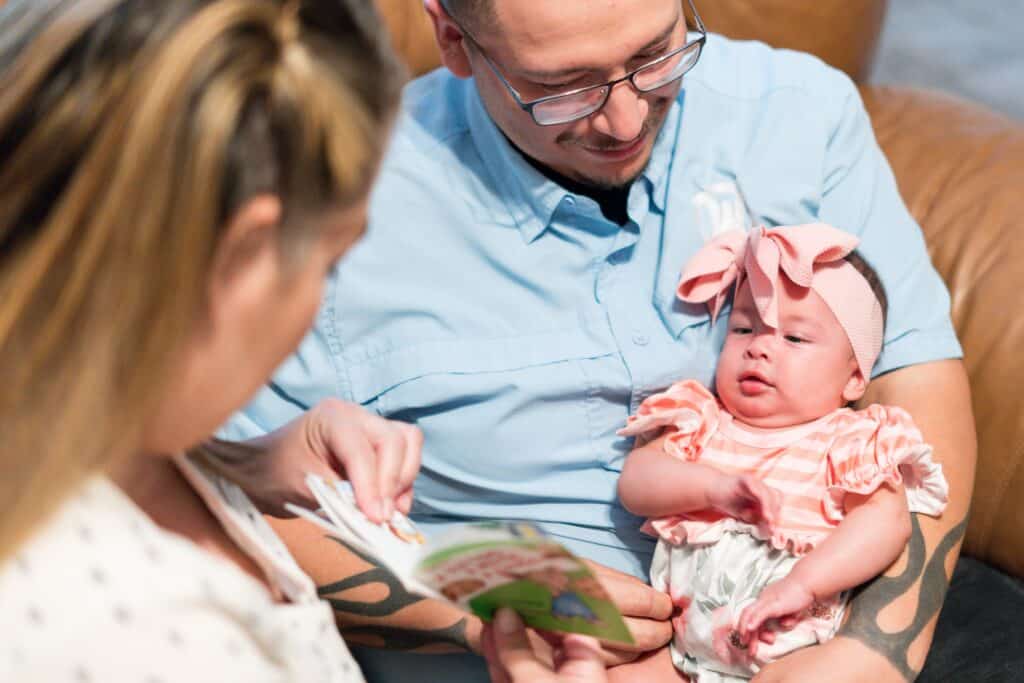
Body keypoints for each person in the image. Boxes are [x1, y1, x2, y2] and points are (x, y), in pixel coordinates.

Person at [224, 0, 977, 680]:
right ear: (453, 38)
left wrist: (872, 651)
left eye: (656, 54)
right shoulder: (333, 199)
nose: (624, 122)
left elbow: (918, 381)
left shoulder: (800, 113)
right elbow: (208, 499)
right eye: (564, 86)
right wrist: (488, 599)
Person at [0, 1, 603, 681]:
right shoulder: (156, 635)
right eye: (329, 261)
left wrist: (239, 465)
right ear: (244, 254)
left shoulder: (93, 433)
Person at [615, 224, 949, 681]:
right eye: (744, 327)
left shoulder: (849, 440)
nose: (760, 348)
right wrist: (714, 488)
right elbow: (636, 483)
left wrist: (804, 584)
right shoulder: (701, 419)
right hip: (675, 650)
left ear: (854, 379)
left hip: (787, 654)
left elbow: (885, 523)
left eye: (794, 339)